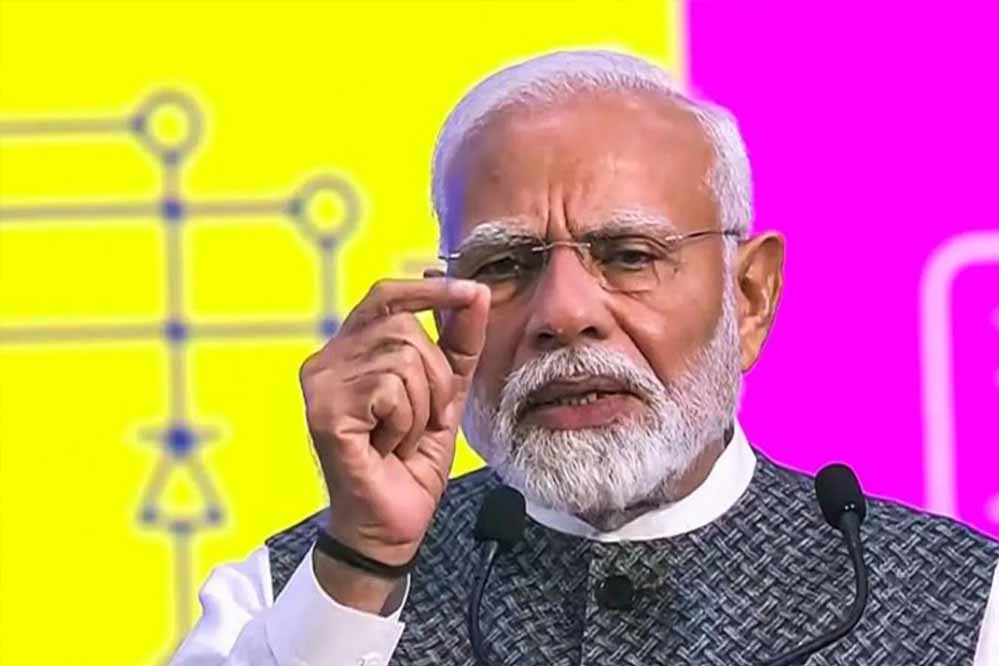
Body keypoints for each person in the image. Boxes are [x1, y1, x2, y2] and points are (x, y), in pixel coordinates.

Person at [171, 49, 999, 666]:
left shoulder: (962, 606)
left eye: (629, 256)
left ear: (748, 297)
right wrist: (363, 564)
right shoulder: (279, 597)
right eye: (505, 264)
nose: (563, 314)